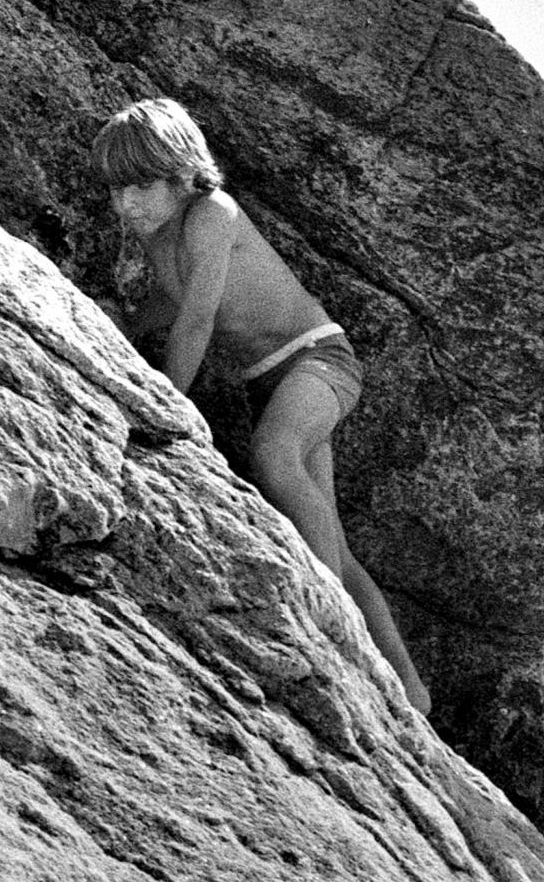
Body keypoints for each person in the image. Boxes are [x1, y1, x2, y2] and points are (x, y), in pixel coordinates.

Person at [92, 98, 430, 715]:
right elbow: (172, 303)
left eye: (142, 186)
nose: (127, 204)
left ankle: (331, 618)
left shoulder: (211, 215)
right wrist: (124, 326)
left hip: (319, 360)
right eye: (117, 190)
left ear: (184, 175)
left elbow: (197, 320)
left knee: (274, 456)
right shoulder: (162, 235)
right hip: (269, 383)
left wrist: (163, 404)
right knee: (328, 533)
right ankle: (412, 691)